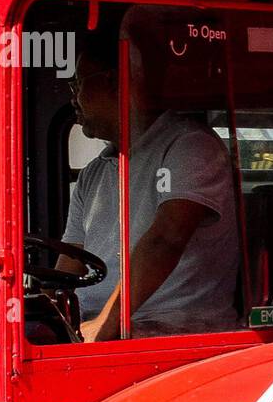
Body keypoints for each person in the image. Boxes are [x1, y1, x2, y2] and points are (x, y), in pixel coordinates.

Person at [58, 27, 240, 341]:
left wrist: (105, 326)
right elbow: (71, 258)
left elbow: (166, 240)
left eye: (78, 83)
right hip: (105, 326)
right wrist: (44, 309)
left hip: (175, 332)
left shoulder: (190, 146)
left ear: (114, 81)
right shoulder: (93, 174)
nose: (72, 96)